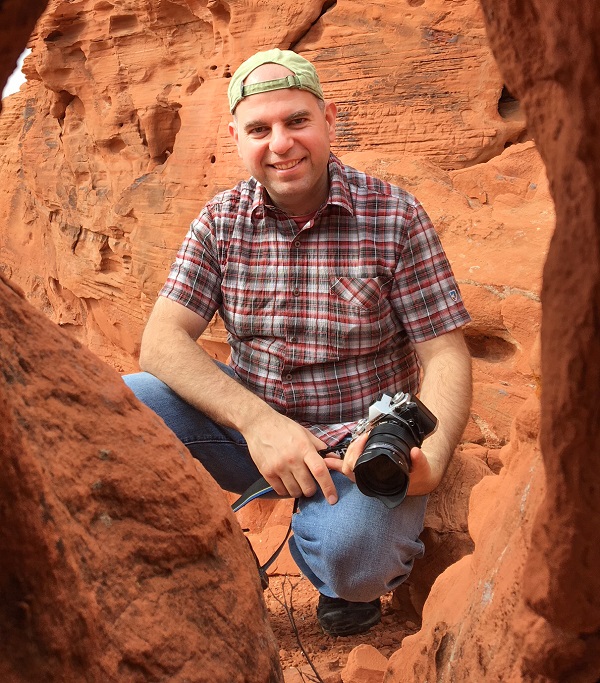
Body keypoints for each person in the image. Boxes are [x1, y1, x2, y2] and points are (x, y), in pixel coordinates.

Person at [124, 48, 472, 637]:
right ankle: (209, 553)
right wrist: (260, 424)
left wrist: (431, 463)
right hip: (250, 430)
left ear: (328, 119)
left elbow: (444, 353)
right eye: (259, 129)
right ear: (237, 138)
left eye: (296, 121)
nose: (280, 144)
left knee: (356, 561)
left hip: (358, 446)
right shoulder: (220, 221)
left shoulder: (393, 217)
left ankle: (337, 568)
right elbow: (160, 342)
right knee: (125, 403)